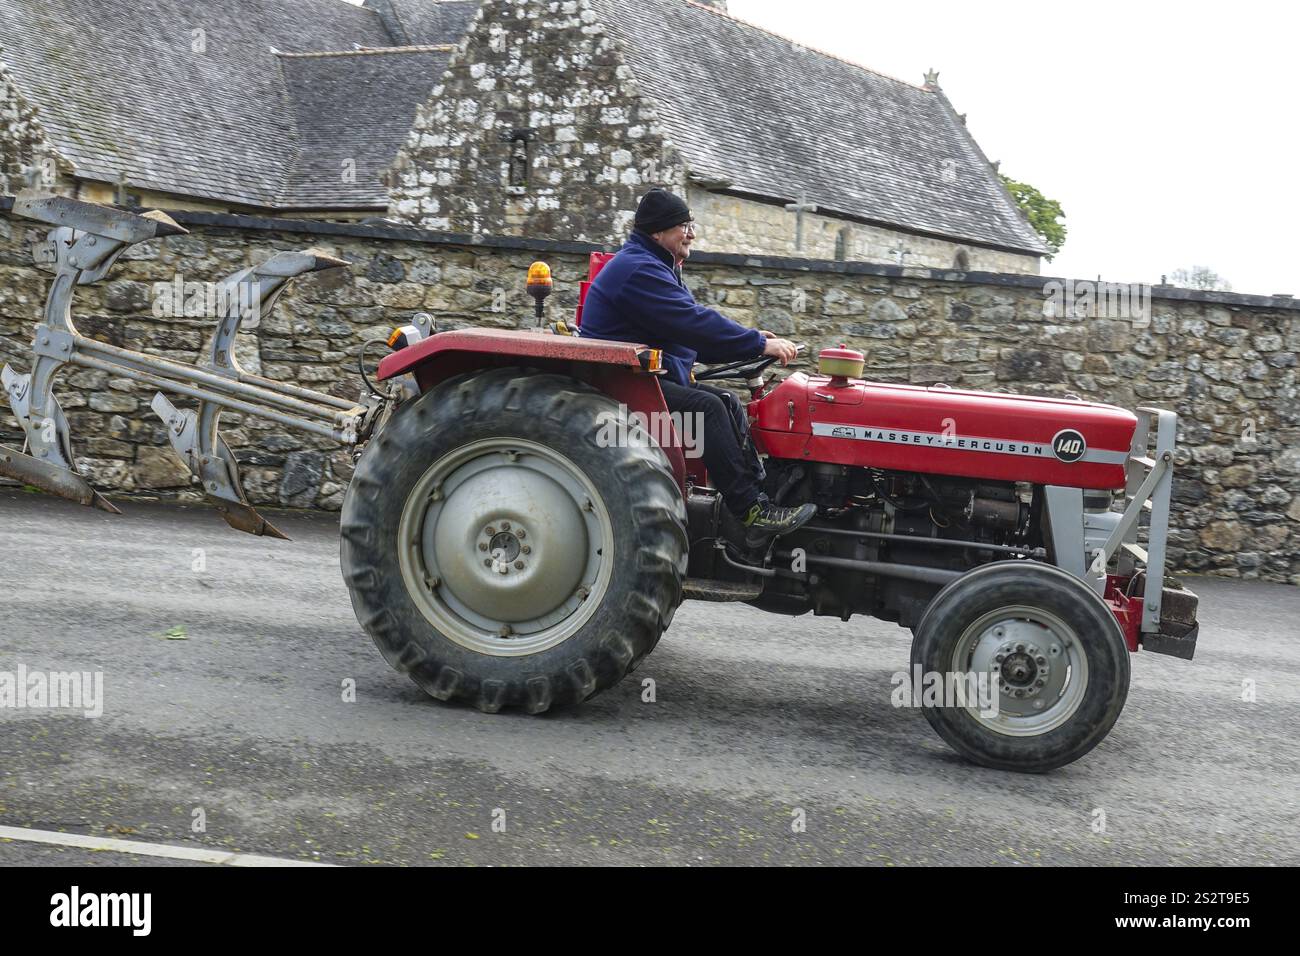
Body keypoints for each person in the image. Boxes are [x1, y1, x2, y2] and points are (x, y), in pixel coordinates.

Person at [579, 187, 817, 548]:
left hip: (643, 379)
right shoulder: (638, 270)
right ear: (658, 232)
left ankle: (760, 496)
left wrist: (750, 338)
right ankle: (751, 511)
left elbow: (687, 332)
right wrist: (756, 343)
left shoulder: (656, 265)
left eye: (691, 224)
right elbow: (694, 323)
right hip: (620, 387)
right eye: (683, 225)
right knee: (707, 408)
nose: (691, 233)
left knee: (725, 400)